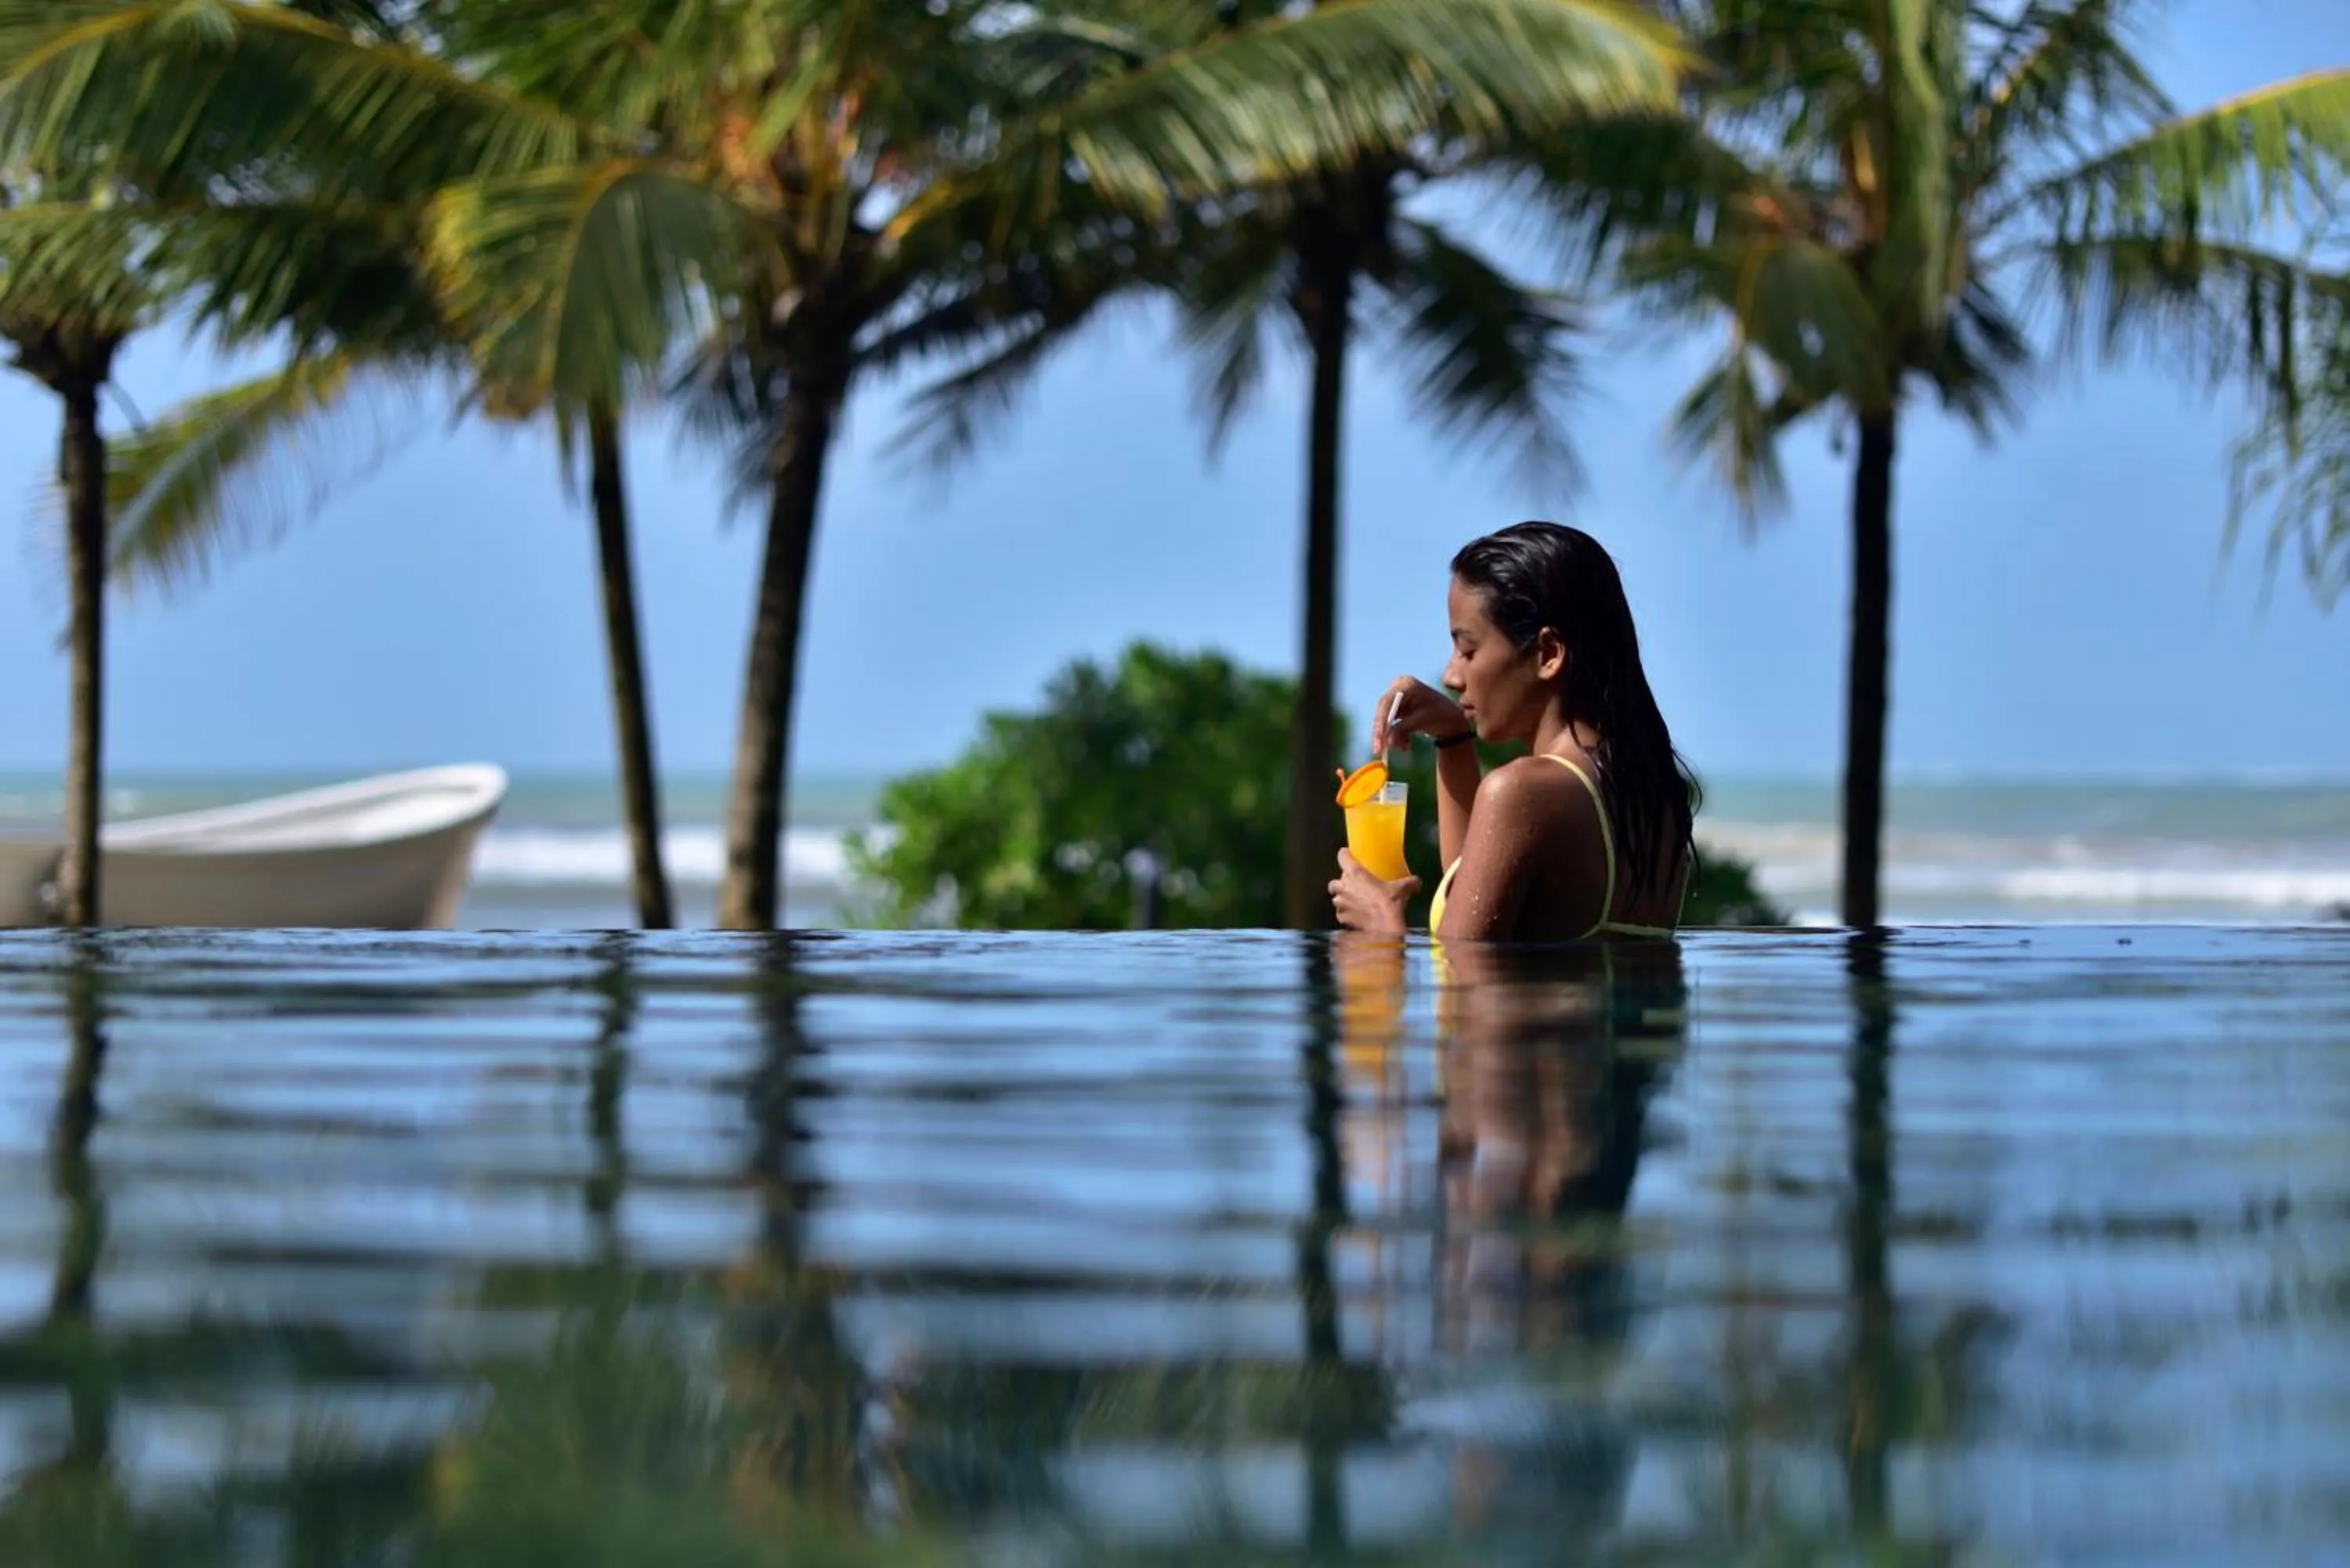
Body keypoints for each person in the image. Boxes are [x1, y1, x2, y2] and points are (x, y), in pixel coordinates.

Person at [1330, 521, 1696, 941]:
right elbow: (1471, 889)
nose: (1451, 675)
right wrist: (1452, 736)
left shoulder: (1525, 791)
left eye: (1468, 649)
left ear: (1548, 654)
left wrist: (1381, 922)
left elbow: (1462, 979)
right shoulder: (1653, 792)